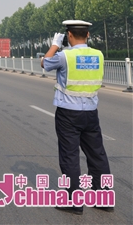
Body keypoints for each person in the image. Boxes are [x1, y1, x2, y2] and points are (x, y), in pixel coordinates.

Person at [41, 20, 113, 215]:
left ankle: (74, 202)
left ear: (69, 36)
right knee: (97, 155)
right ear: (88, 35)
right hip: (91, 112)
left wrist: (55, 44)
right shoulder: (98, 55)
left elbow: (44, 63)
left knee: (70, 157)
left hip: (68, 114)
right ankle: (104, 199)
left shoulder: (64, 56)